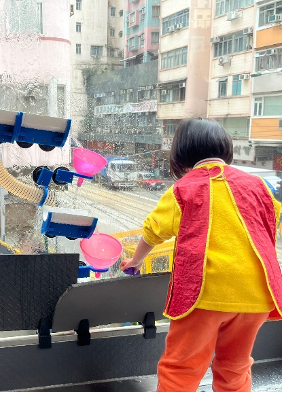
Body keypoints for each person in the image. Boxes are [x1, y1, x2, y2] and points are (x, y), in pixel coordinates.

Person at [120, 118, 282, 392]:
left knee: (181, 369)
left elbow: (152, 230)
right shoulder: (258, 185)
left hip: (205, 293)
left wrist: (134, 261)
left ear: (180, 154)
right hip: (257, 293)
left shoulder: (184, 189)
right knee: (235, 368)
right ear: (226, 149)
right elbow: (274, 220)